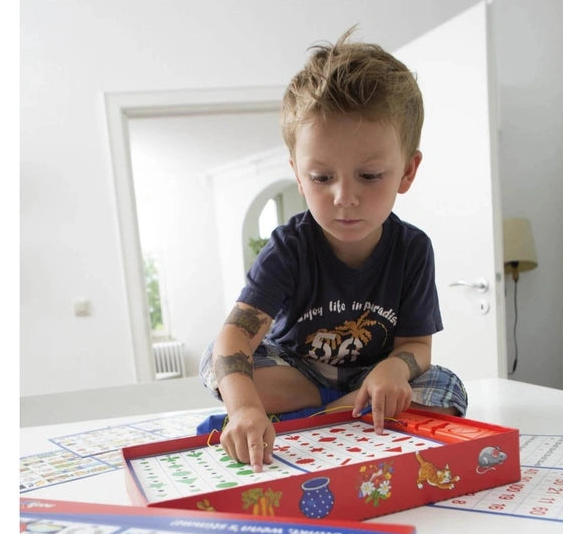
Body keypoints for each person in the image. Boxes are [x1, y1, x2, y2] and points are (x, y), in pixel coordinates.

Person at [198, 27, 467, 471]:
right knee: (217, 358)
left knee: (446, 389)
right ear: (299, 176)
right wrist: (246, 407)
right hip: (295, 374)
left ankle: (320, 416)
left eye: (370, 175)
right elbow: (235, 337)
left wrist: (394, 370)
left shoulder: (412, 249)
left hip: (370, 378)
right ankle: (339, 412)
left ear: (407, 171)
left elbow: (417, 345)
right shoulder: (289, 247)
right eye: (322, 178)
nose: (345, 197)